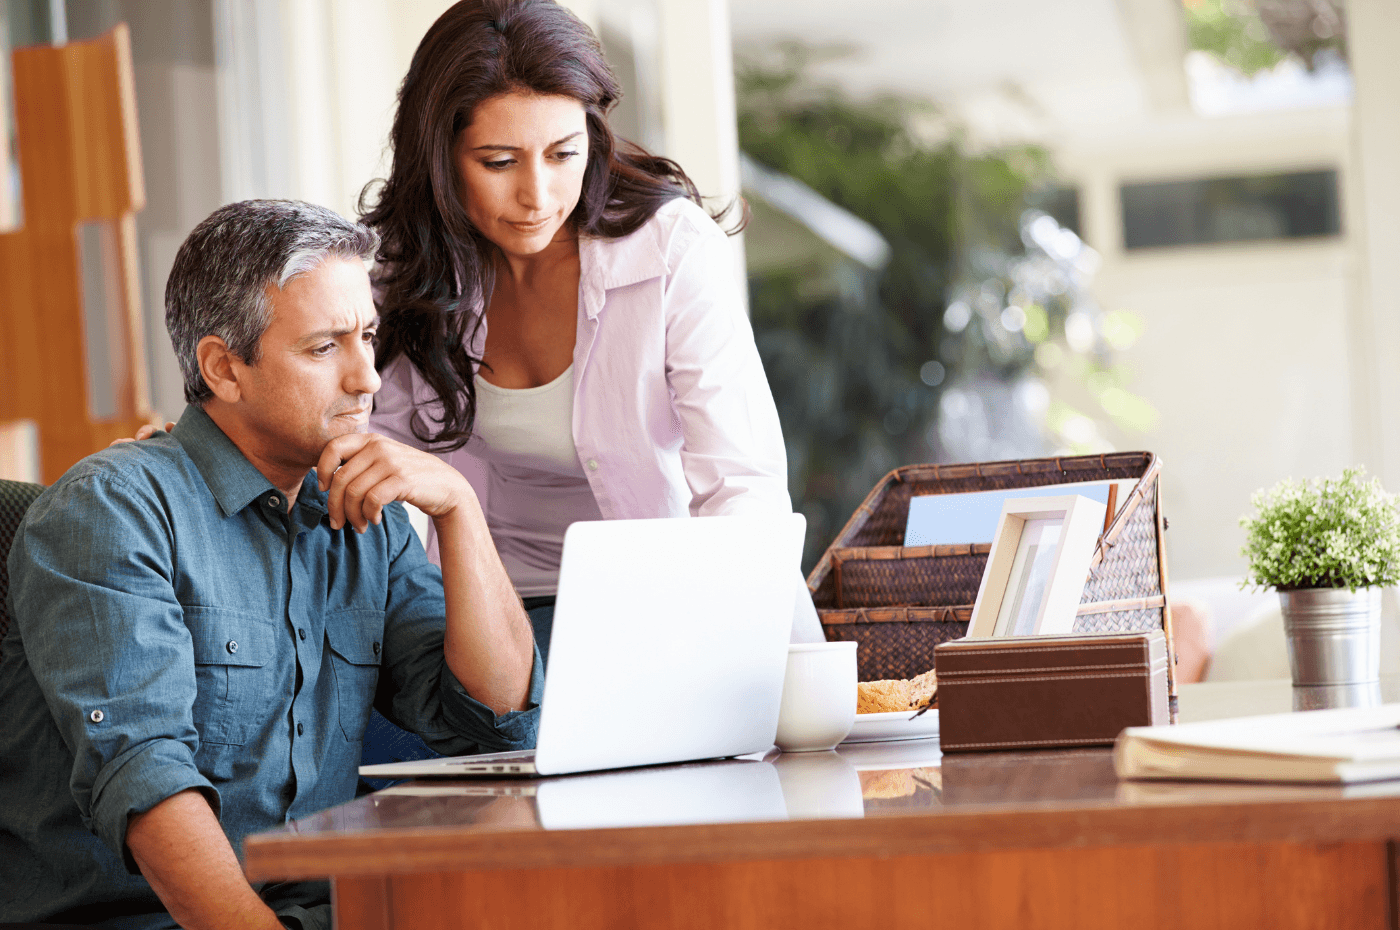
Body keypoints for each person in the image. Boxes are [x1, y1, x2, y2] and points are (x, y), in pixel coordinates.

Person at [0, 199, 540, 930]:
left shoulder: (363, 516)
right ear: (224, 368)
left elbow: (494, 724)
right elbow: (147, 780)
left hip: (325, 908)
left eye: (368, 338)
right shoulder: (110, 512)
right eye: (325, 348)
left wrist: (458, 510)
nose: (368, 379)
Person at [361, 0, 824, 664]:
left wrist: (731, 650)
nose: (538, 194)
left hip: (668, 611)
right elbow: (381, 462)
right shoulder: (401, 272)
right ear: (441, 159)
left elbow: (739, 482)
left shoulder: (668, 249)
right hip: (483, 620)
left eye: (563, 153)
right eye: (499, 161)